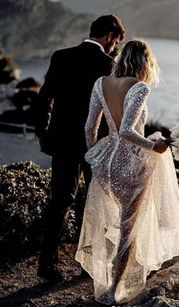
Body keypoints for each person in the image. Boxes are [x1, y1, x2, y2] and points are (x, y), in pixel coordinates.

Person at [75, 40, 179, 305]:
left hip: (104, 164)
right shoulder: (140, 87)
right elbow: (128, 130)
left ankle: (111, 277)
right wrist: (155, 146)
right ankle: (116, 288)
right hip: (131, 164)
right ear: (145, 62)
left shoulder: (100, 83)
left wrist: (95, 155)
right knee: (129, 228)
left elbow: (89, 128)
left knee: (113, 221)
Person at [35, 14, 125, 282]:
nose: (113, 46)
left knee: (59, 201)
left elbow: (45, 97)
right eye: (115, 41)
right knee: (93, 203)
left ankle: (46, 265)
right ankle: (87, 264)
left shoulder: (60, 56)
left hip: (62, 141)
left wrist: (42, 132)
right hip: (95, 144)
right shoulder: (110, 64)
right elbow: (112, 113)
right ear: (110, 36)